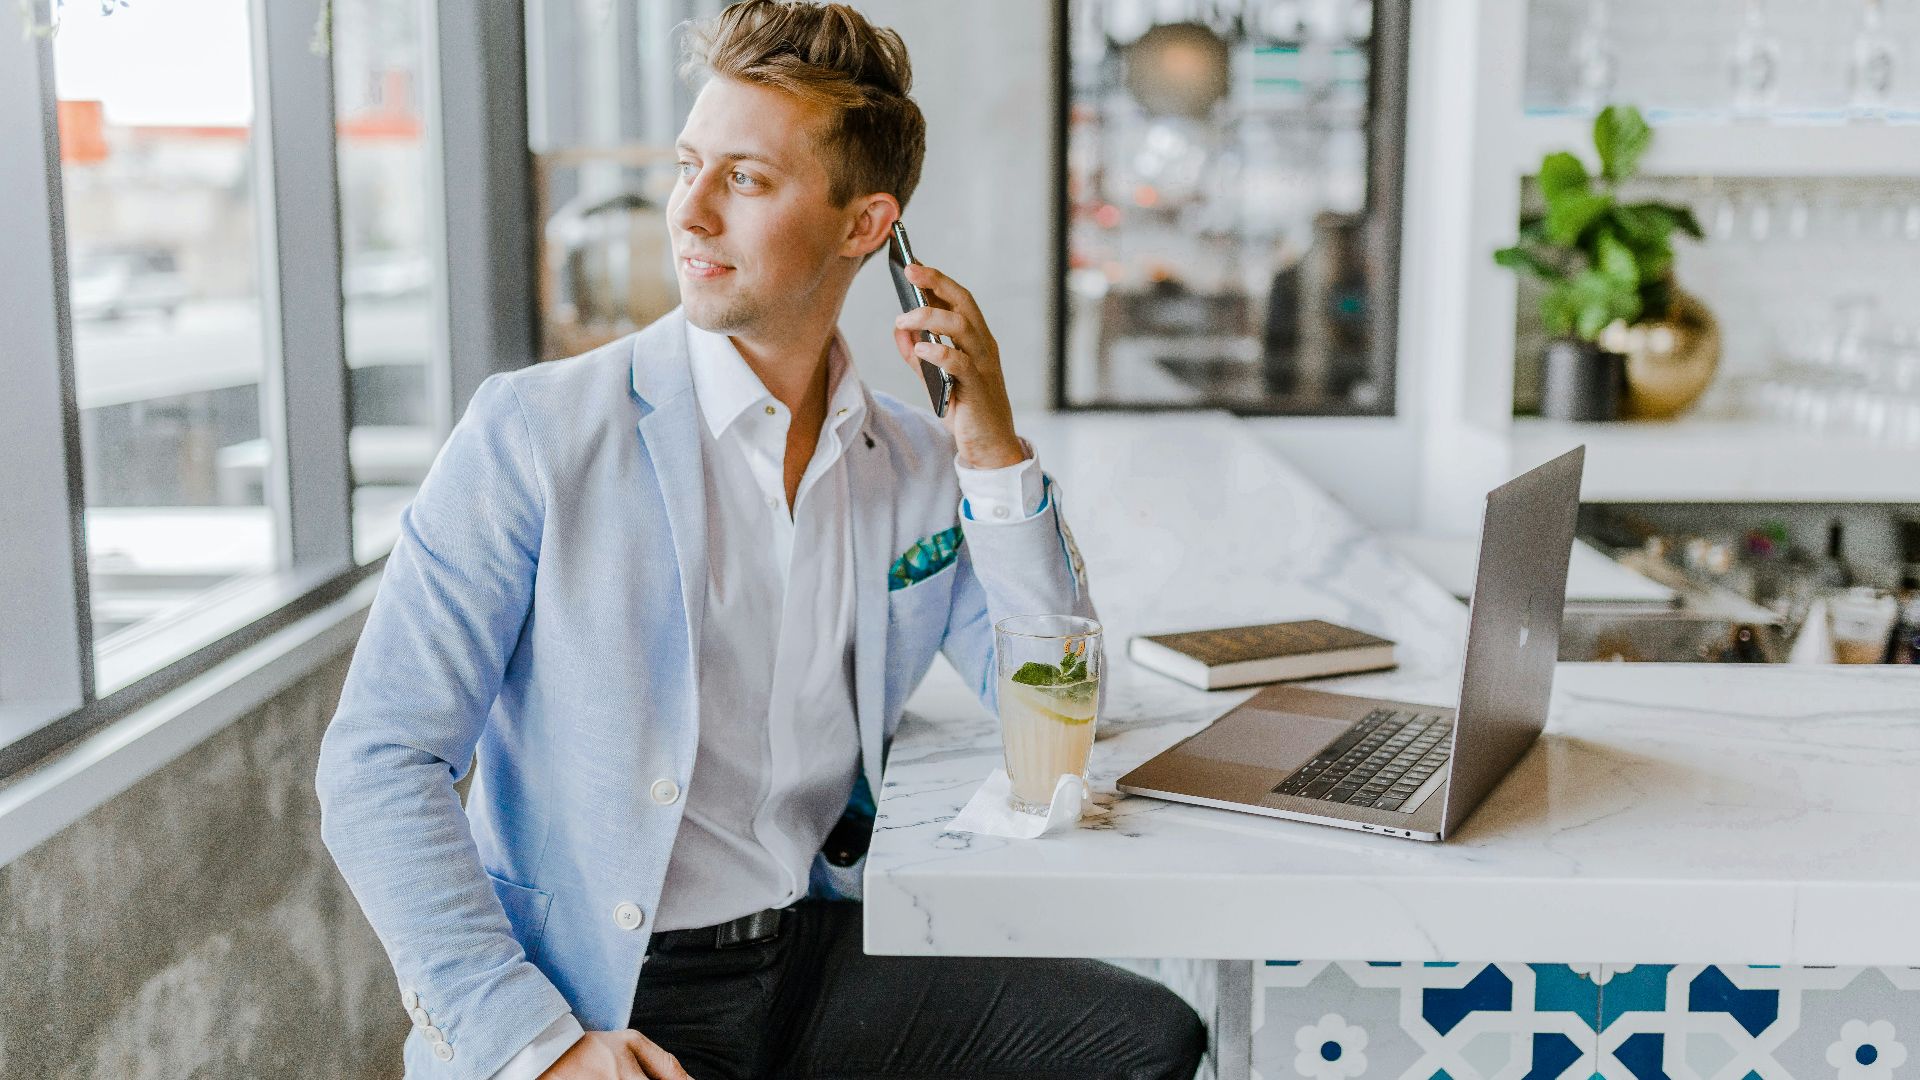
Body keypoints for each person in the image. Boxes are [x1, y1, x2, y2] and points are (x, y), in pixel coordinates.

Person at [314, 3, 1206, 1078]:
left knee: (1145, 1041)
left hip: (805, 953)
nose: (685, 213)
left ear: (865, 228)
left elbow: (1058, 699)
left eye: (743, 179)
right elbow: (378, 765)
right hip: (604, 989)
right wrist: (537, 1047)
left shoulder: (918, 468)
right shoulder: (534, 436)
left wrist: (991, 445)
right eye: (689, 165)